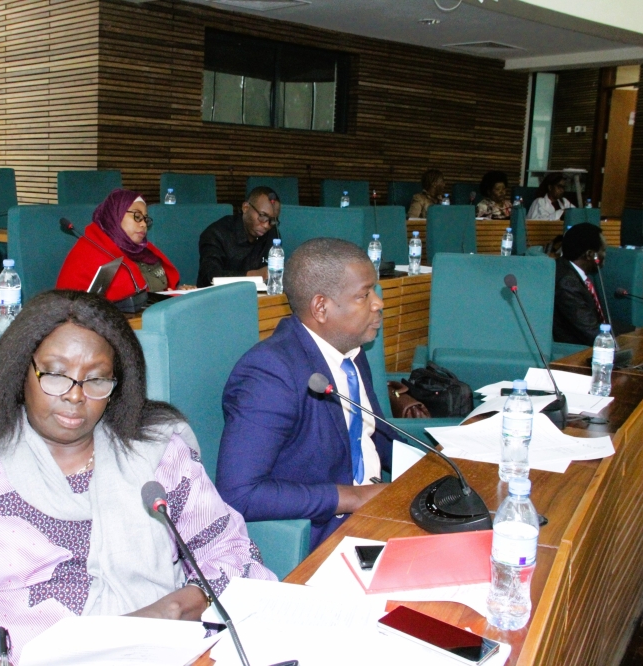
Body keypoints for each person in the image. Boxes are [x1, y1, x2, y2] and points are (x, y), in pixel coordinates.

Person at [0, 290, 275, 665]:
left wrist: (175, 606)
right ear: (21, 370)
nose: (76, 397)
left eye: (96, 380)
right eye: (56, 375)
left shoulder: (158, 455)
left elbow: (232, 553)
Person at [216, 238, 393, 550]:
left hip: (376, 511)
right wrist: (355, 497)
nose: (378, 303)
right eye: (364, 295)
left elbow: (372, 434)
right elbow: (239, 494)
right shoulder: (270, 372)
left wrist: (435, 469)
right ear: (321, 307)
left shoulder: (350, 348)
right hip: (322, 534)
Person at [56, 189, 180, 310]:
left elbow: (157, 291)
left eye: (145, 219)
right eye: (137, 216)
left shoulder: (145, 250)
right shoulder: (90, 251)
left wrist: (177, 294)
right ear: (116, 215)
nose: (143, 224)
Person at [196, 186, 281, 287]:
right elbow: (210, 276)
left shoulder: (272, 234)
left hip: (259, 295)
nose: (266, 225)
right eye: (262, 216)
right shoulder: (216, 234)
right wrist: (254, 275)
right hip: (219, 295)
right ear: (245, 208)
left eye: (272, 220)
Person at [553, 223, 608, 345]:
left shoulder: (566, 268)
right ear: (590, 254)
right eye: (603, 250)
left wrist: (634, 329)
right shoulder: (567, 283)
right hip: (576, 351)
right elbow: (591, 332)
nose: (605, 255)